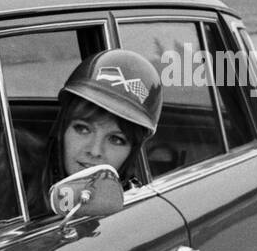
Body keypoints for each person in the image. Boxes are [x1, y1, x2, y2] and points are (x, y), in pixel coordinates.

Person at [20, 48, 163, 218]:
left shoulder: (137, 216)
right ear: (61, 130)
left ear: (132, 152)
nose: (95, 151)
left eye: (116, 139)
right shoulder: (14, 184)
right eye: (83, 129)